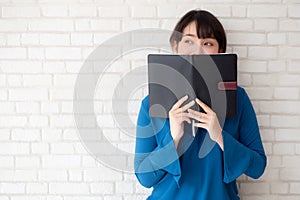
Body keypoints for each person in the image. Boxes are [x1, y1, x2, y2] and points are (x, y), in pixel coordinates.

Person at [134, 10, 266, 200]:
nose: (197, 50)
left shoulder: (239, 98)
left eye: (207, 43)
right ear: (175, 46)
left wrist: (220, 136)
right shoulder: (152, 103)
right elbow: (144, 177)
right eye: (189, 41)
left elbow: (257, 167)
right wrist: (174, 138)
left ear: (220, 51)